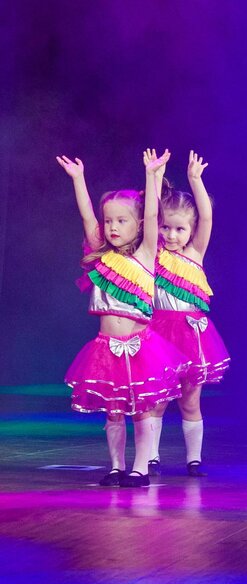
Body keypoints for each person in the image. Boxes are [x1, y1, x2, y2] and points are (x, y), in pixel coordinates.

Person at [59, 149, 184, 488]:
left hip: (140, 347)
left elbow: (153, 213)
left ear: (139, 224)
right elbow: (88, 218)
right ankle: (116, 466)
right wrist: (78, 179)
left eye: (122, 221)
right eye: (109, 221)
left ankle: (140, 468)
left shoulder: (145, 254)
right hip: (106, 347)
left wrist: (151, 175)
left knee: (142, 409)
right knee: (113, 411)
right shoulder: (102, 256)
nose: (113, 227)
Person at [149, 151, 230, 477]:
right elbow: (151, 213)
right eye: (166, 228)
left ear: (191, 230)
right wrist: (155, 178)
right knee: (157, 400)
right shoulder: (152, 251)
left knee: (190, 400)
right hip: (158, 332)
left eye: (180, 229)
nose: (171, 235)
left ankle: (194, 460)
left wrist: (195, 180)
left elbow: (207, 218)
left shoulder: (195, 252)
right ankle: (150, 457)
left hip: (191, 334)